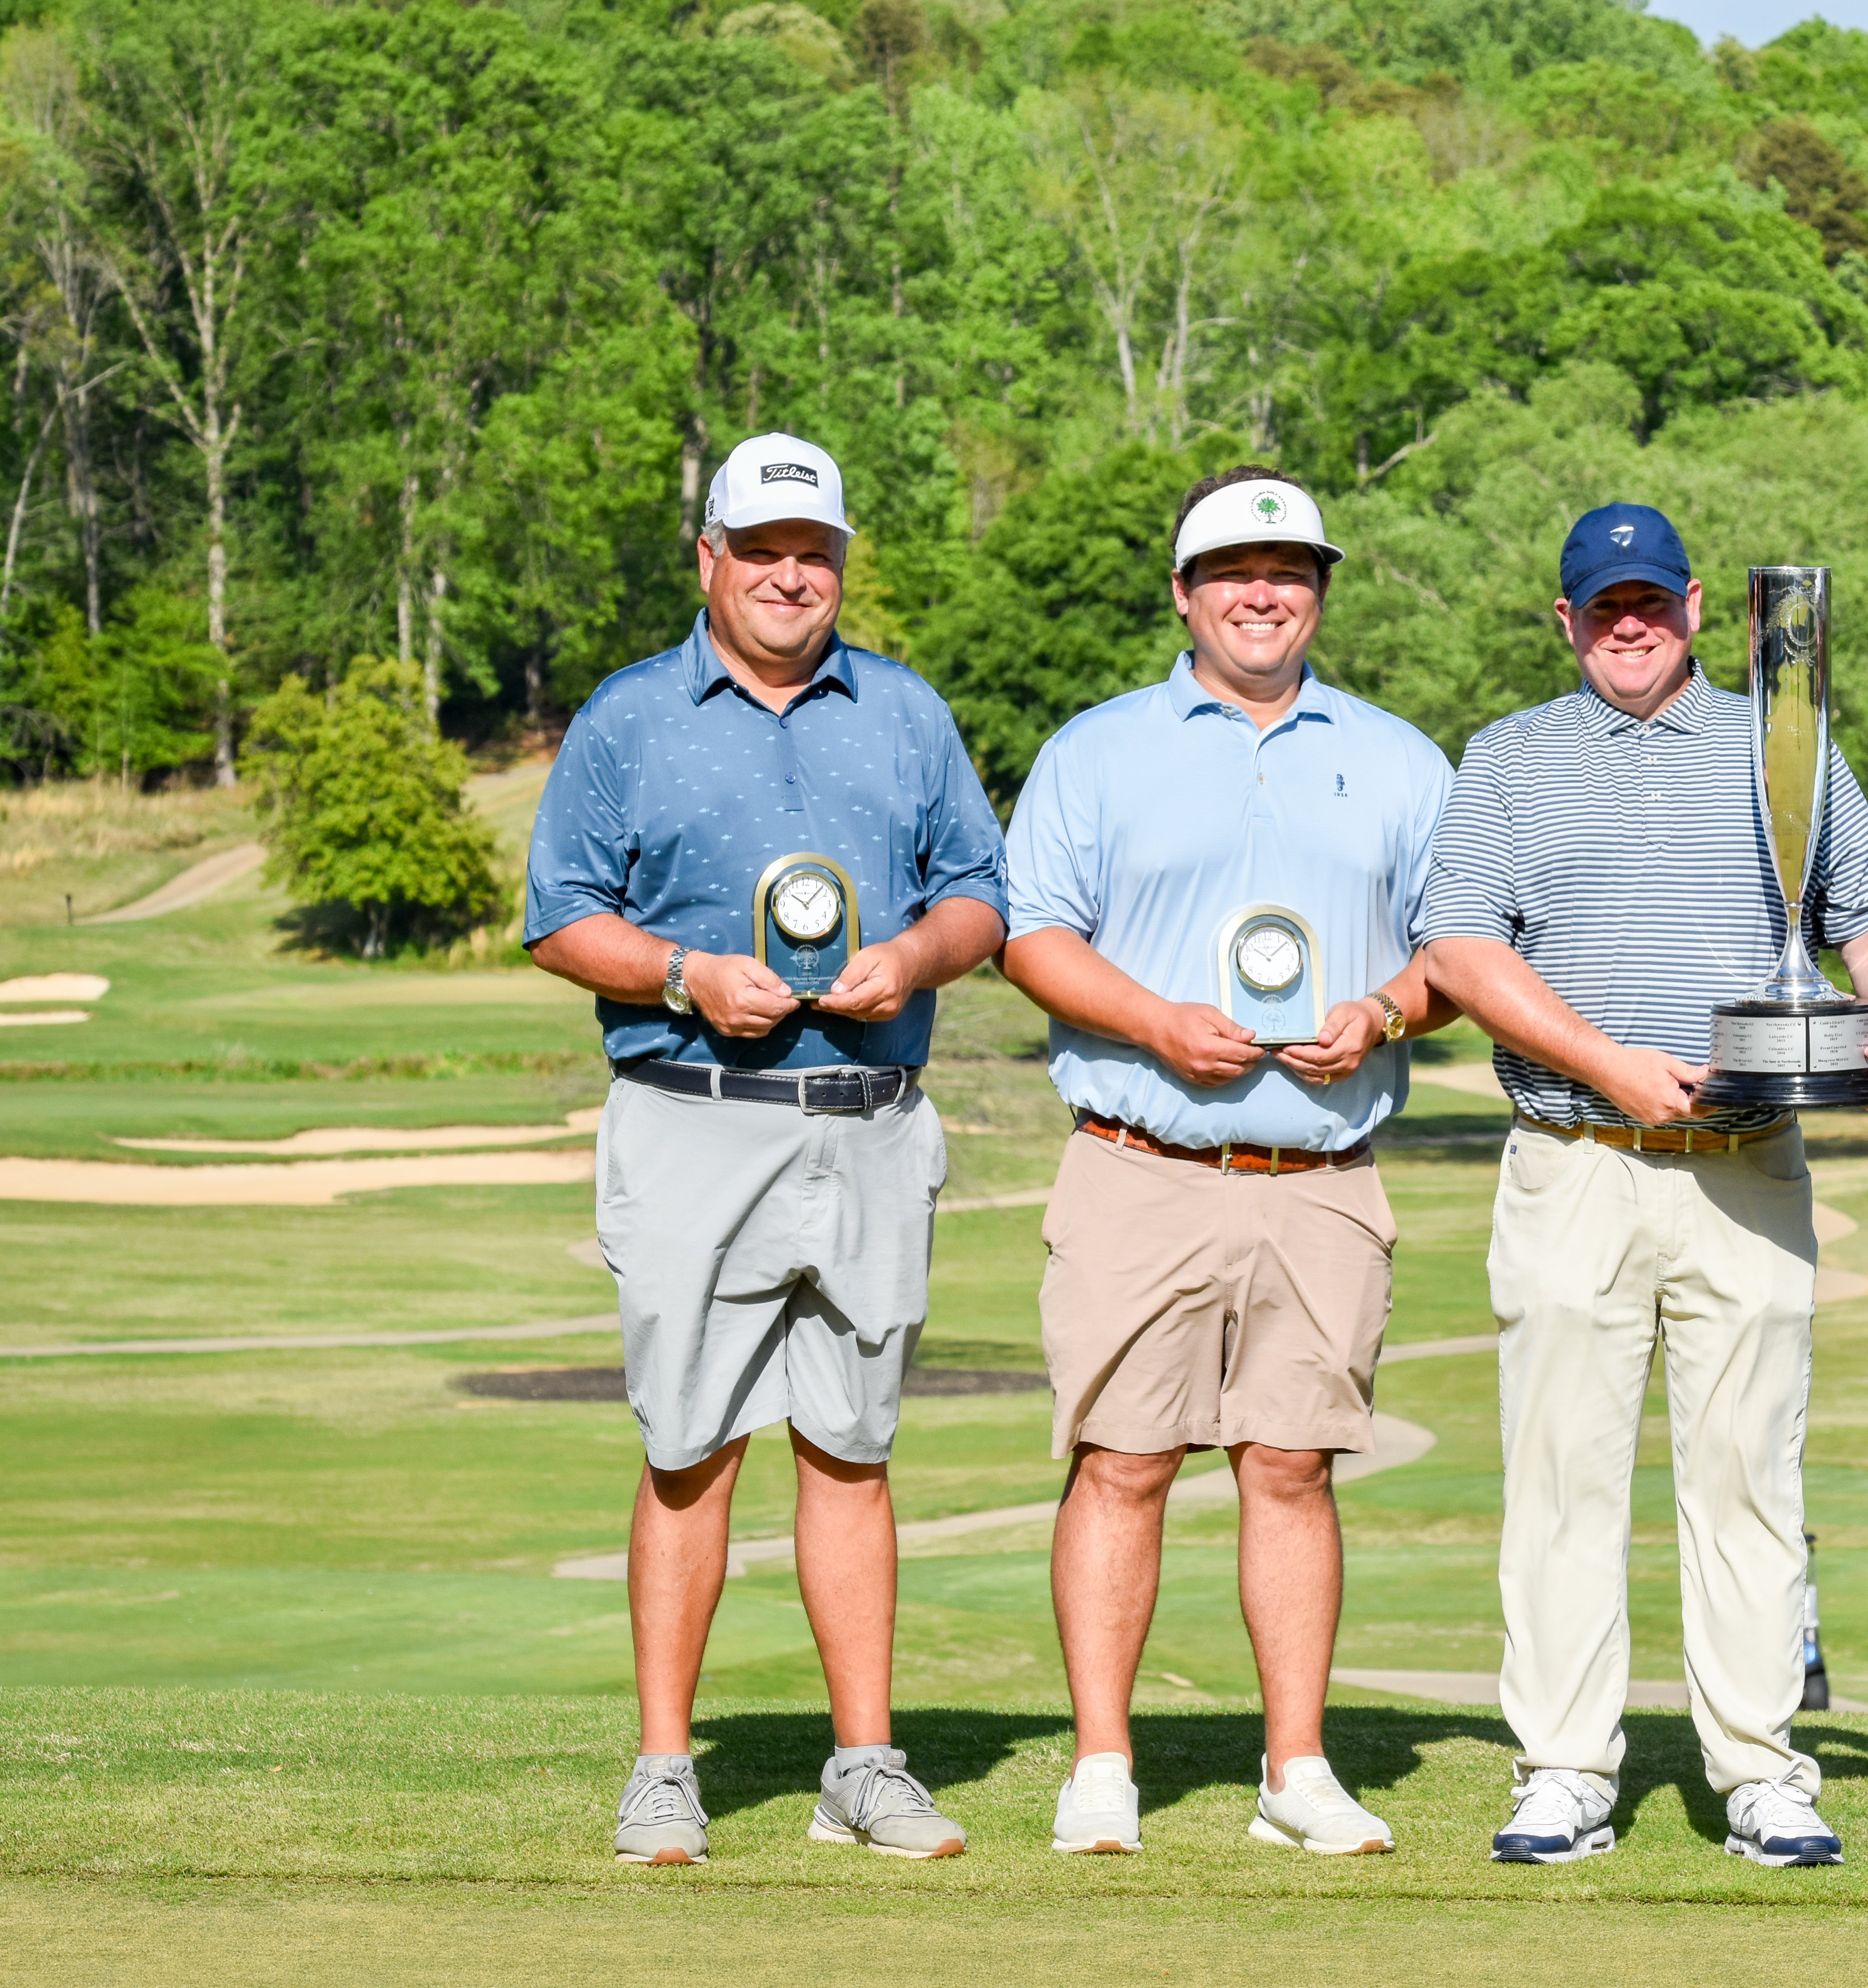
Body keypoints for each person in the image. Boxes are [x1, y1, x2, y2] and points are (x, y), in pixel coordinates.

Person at [1418, 504, 1868, 1869]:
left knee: (1747, 1479)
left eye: (1650, 599)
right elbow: (1463, 952)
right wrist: (1607, 1062)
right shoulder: (1509, 760)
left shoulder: (1787, 739)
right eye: (1603, 604)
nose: (1628, 623)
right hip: (1575, 1157)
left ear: (1700, 607)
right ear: (1566, 618)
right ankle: (1564, 1770)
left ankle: (1762, 1772)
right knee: (1561, 1483)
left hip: (1750, 1167)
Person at [525, 433, 1007, 1867]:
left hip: (867, 1122)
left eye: (816, 552)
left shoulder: (907, 713)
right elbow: (561, 916)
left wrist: (915, 954)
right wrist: (683, 977)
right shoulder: (627, 717)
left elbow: (981, 893)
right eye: (762, 549)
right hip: (693, 1115)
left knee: (852, 1450)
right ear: (709, 559)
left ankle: (864, 1765)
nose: (791, 574)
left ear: (841, 562)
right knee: (691, 1453)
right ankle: (666, 1771)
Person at [1001, 466, 1457, 1859]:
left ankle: (1296, 1772)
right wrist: (1154, 1022)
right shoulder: (1097, 748)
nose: (1265, 595)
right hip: (1142, 1156)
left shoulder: (1397, 758)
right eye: (1235, 573)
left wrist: (1383, 1009)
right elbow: (1034, 936)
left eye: (1292, 572)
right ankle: (1100, 1768)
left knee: (1292, 1467)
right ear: (1185, 594)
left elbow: (1461, 953)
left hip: (1319, 1173)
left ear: (1319, 590)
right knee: (1122, 1464)